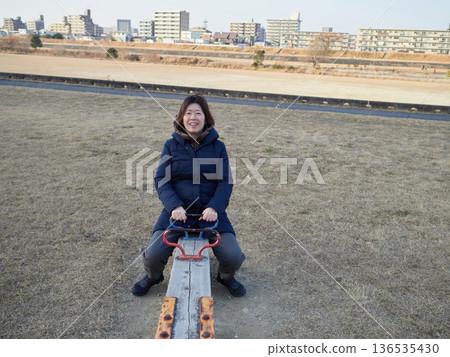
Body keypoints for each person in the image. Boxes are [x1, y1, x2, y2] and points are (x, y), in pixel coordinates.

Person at [131, 94, 246, 297]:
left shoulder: (218, 147)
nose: (193, 117)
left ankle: (225, 277)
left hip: (210, 215)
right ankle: (153, 277)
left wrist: (213, 208)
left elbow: (225, 182)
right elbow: (162, 180)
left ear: (206, 117)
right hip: (176, 213)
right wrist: (174, 206)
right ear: (181, 118)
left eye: (198, 113)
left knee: (234, 256)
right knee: (152, 256)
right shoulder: (171, 145)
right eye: (188, 113)